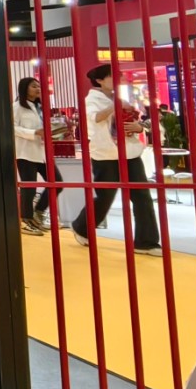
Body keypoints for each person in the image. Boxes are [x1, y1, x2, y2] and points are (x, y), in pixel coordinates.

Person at [70, 63, 164, 255]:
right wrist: (115, 106)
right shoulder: (91, 100)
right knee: (105, 196)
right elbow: (94, 118)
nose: (119, 79)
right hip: (105, 155)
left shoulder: (119, 99)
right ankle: (81, 226)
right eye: (113, 76)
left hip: (130, 153)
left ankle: (146, 242)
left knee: (142, 196)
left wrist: (140, 127)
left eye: (119, 76)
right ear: (99, 80)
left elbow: (133, 121)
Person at [14, 76, 56, 235]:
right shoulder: (17, 107)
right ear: (24, 89)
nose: (38, 89)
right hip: (25, 152)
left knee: (57, 182)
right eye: (33, 86)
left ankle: (38, 213)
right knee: (29, 187)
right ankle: (26, 220)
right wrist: (33, 133)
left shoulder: (40, 107)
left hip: (41, 152)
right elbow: (12, 127)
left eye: (38, 86)